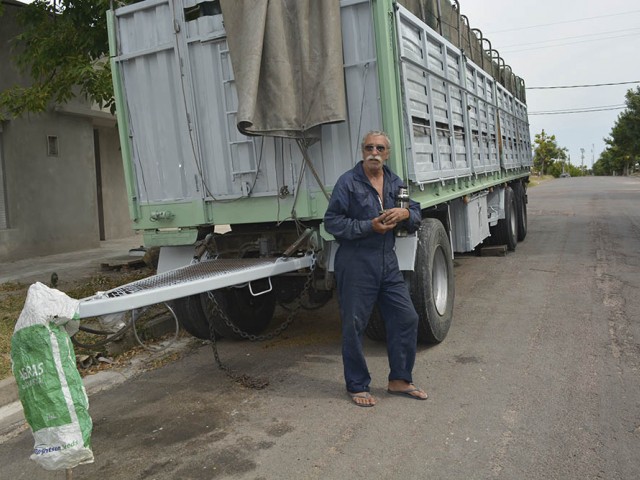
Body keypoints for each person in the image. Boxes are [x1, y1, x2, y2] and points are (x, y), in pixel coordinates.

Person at [324, 130, 427, 407]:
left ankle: (400, 380)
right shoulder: (348, 182)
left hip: (387, 262)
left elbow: (416, 212)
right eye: (369, 147)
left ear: (387, 153)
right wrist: (368, 225)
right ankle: (357, 385)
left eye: (380, 148)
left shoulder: (395, 182)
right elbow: (332, 222)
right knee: (355, 324)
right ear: (362, 151)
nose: (374, 153)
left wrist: (406, 214)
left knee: (406, 317)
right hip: (357, 262)